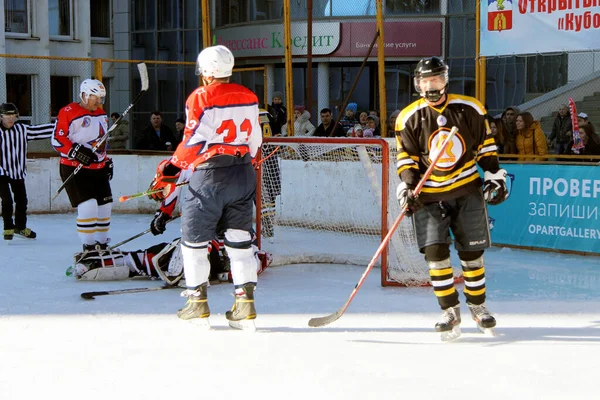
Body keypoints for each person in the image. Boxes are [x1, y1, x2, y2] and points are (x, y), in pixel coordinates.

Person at [147, 45, 263, 331]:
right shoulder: (249, 95)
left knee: (194, 239)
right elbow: (256, 140)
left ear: (207, 72)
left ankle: (197, 302)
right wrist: (250, 165)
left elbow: (195, 140)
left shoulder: (200, 96)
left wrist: (170, 170)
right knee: (239, 241)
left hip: (210, 174)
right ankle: (244, 303)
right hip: (243, 171)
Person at [395, 57, 508, 340]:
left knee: (472, 253)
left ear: (446, 80)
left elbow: (485, 146)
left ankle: (478, 306)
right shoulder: (408, 116)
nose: (431, 86)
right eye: (425, 81)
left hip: (466, 189)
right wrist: (408, 187)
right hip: (430, 196)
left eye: (436, 80)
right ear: (418, 84)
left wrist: (494, 173)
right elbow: (406, 157)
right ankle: (449, 310)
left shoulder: (470, 108)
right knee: (435, 254)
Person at [52, 79, 115, 253]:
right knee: (88, 206)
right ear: (85, 94)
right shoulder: (68, 112)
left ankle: (102, 245)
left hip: (98, 168)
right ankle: (88, 247)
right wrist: (76, 151)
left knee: (105, 206)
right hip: (74, 167)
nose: (99, 101)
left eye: (101, 98)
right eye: (95, 97)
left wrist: (106, 160)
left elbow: (102, 141)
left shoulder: (101, 113)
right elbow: (57, 139)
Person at [0, 103, 55, 240]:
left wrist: (64, 125)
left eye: (13, 115)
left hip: (17, 170)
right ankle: (8, 227)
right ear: (1, 116)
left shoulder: (22, 130)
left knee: (22, 200)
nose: (11, 119)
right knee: (7, 200)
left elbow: (40, 130)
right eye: (7, 115)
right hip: (0, 171)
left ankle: (20, 227)